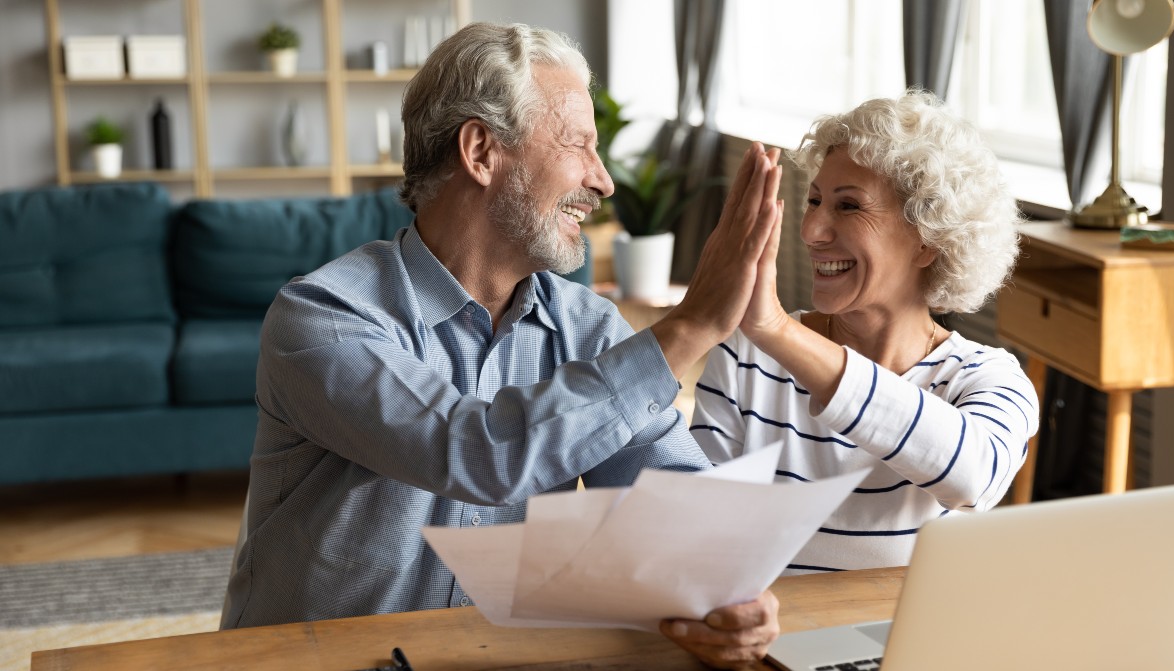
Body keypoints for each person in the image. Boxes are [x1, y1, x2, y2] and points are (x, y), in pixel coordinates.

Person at [221, 22, 782, 669]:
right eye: (579, 144)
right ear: (481, 151)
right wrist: (688, 328)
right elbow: (476, 452)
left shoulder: (587, 327)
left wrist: (728, 588)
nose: (602, 182)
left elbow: (670, 496)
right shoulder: (323, 317)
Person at [691, 90, 1040, 574]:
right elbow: (698, 532)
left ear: (928, 240)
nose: (812, 229)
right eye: (814, 200)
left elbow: (973, 476)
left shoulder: (986, 378)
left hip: (911, 642)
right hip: (769, 636)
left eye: (848, 206)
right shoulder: (748, 354)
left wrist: (776, 331)